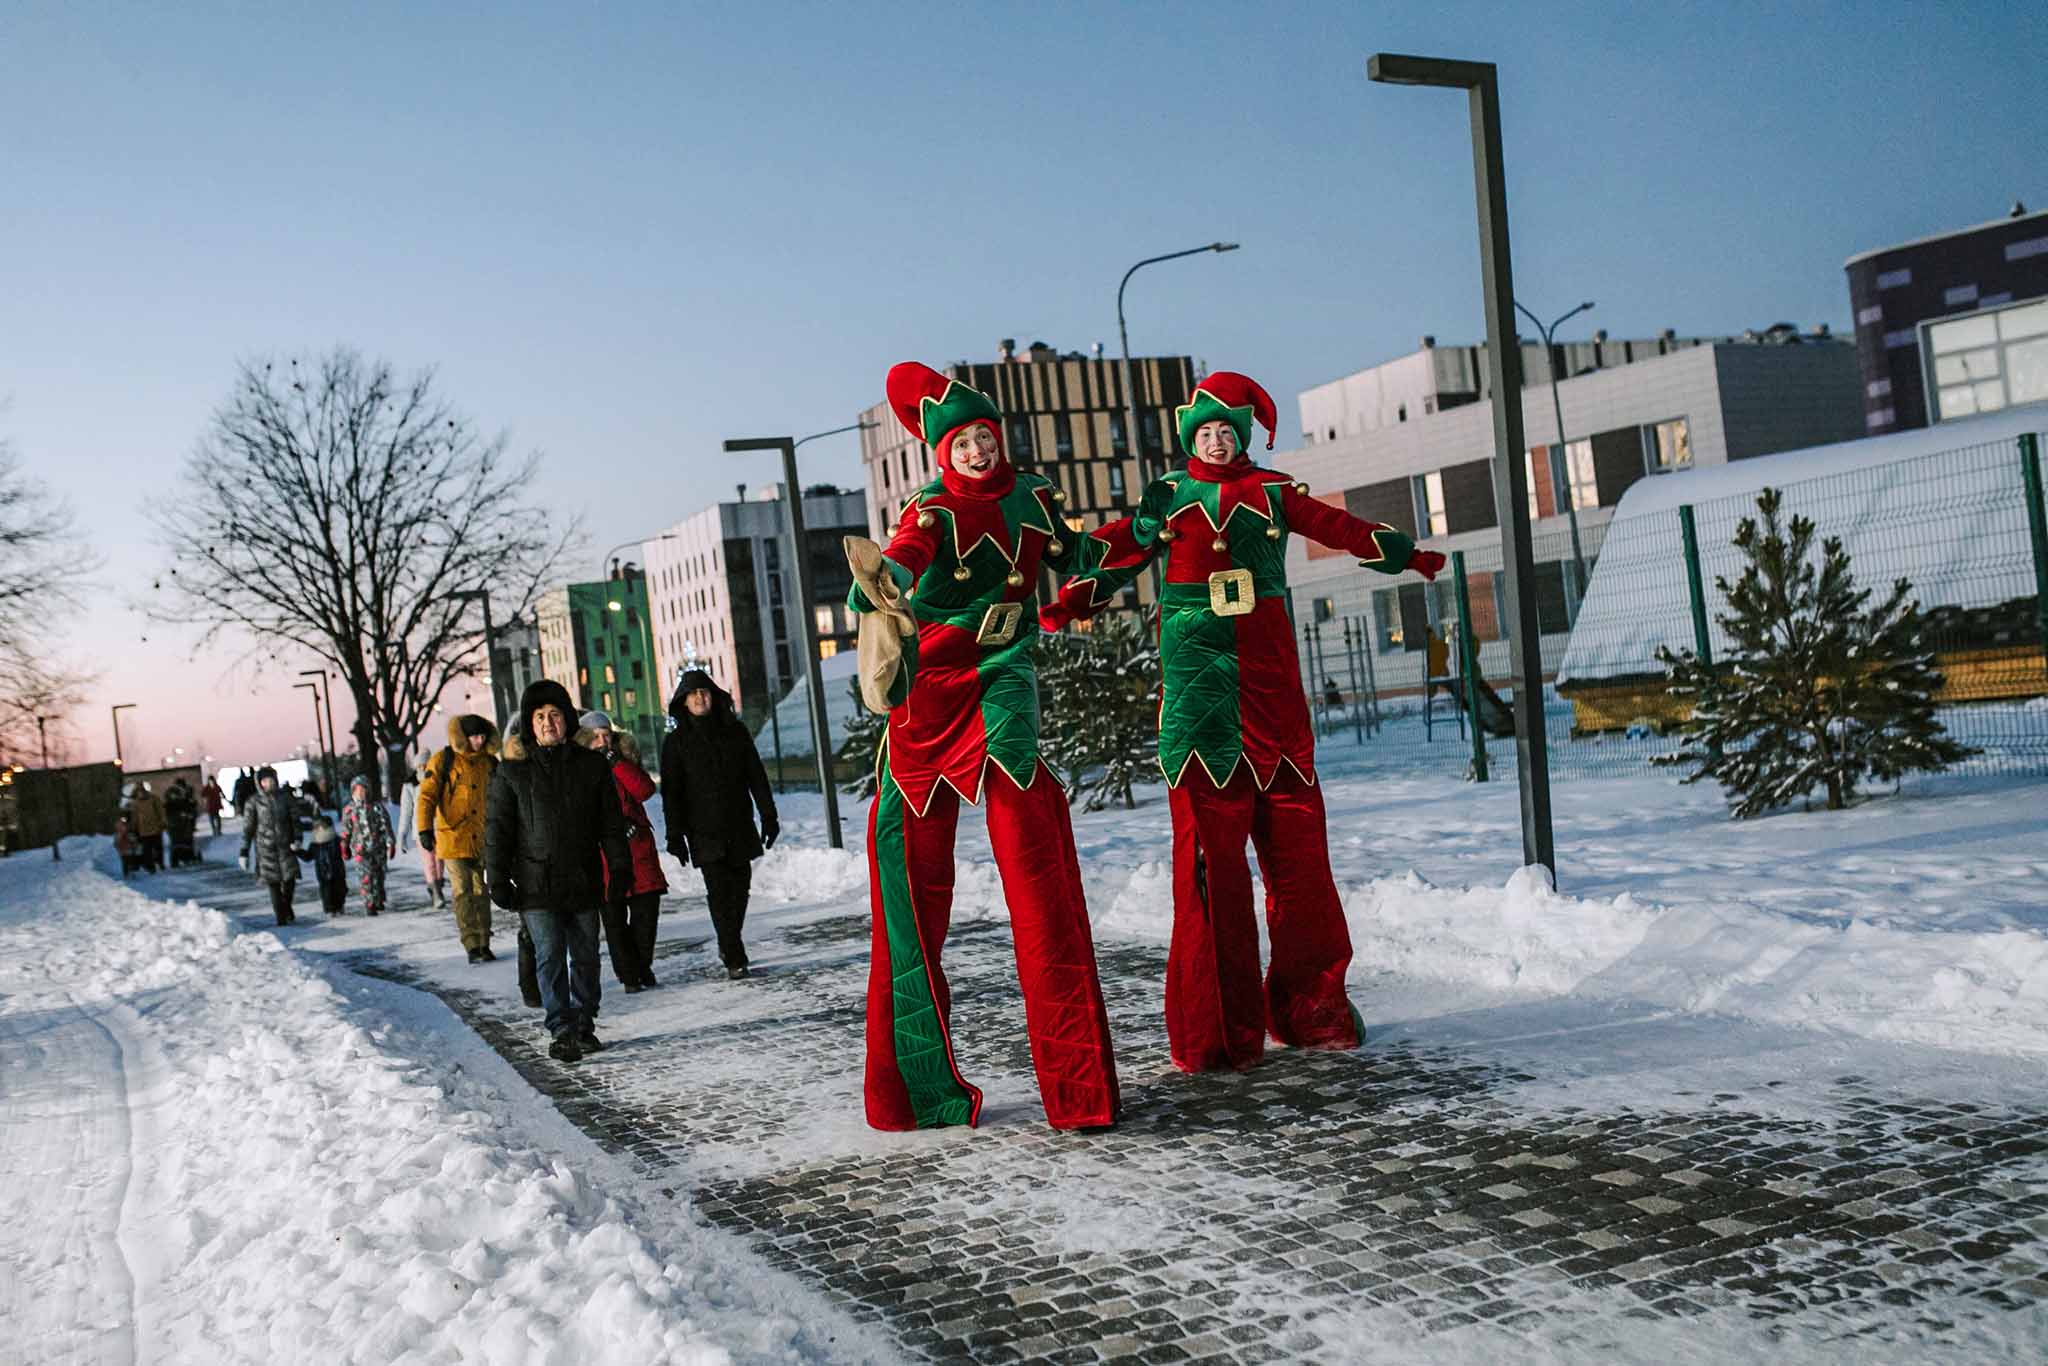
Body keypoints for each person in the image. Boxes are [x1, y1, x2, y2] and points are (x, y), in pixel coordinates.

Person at [1043, 371, 1446, 1074]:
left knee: (1301, 866)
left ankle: (1311, 1010)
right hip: (1199, 702)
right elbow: (1123, 546)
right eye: (1206, 433)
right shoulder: (1168, 496)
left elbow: (1336, 525)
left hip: (1270, 695)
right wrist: (1076, 595)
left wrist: (1403, 552)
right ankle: (1218, 1029)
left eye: (1228, 431)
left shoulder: (1275, 491)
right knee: (1209, 867)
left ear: (1243, 436)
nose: (1218, 441)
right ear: (1189, 440)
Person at [839, 361, 1121, 1133]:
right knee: (908, 879)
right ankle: (915, 1091)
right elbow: (905, 555)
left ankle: (1079, 1088)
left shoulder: (1033, 497)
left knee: (1029, 836)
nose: (975, 450)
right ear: (942, 451)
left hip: (1002, 671)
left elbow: (1081, 555)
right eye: (961, 441)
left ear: (1001, 439)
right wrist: (882, 581)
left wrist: (1095, 577)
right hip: (930, 689)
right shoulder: (931, 509)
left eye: (984, 436)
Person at [486, 680, 630, 1063]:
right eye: (539, 717)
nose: (548, 723)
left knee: (586, 957)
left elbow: (610, 825)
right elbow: (497, 829)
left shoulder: (592, 767)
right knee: (549, 957)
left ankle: (584, 1020)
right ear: (529, 726)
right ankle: (561, 1029)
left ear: (567, 721)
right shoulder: (512, 774)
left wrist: (619, 867)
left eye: (554, 715)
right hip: (536, 884)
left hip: (583, 878)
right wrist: (497, 877)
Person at [657, 673, 775, 983]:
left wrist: (769, 815)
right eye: (693, 694)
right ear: (684, 700)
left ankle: (729, 942)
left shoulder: (735, 732)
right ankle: (734, 953)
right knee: (718, 891)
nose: (700, 699)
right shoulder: (676, 742)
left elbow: (756, 775)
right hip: (703, 831)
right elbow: (672, 793)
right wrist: (675, 835)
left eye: (705, 693)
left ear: (714, 697)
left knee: (741, 888)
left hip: (738, 825)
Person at [577, 711, 666, 992]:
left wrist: (618, 763)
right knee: (615, 923)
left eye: (606, 735)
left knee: (646, 917)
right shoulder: (578, 769)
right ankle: (629, 976)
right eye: (595, 737)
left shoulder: (623, 760)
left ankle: (642, 966)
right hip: (603, 856)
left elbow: (644, 790)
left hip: (638, 851)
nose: (602, 741)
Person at [416, 714, 500, 962]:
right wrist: (424, 829)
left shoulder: (490, 763)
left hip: (482, 839)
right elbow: (427, 796)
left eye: (482, 736)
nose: (479, 740)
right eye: (474, 736)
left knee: (482, 891)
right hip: (453, 839)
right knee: (462, 891)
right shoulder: (444, 760)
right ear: (464, 737)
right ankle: (472, 944)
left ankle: (485, 941)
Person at [239, 766, 302, 926]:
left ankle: (286, 906)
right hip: (265, 849)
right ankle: (281, 917)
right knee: (273, 884)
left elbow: (295, 820)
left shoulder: (285, 798)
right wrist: (244, 851)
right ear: (260, 783)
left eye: (271, 779)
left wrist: (297, 838)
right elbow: (248, 828)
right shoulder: (253, 802)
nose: (269, 783)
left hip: (286, 846)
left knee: (289, 880)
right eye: (265, 780)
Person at [339, 774, 396, 916]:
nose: (360, 793)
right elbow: (346, 830)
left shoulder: (376, 807)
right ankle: (369, 903)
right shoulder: (349, 810)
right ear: (352, 792)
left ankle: (378, 898)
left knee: (378, 875)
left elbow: (385, 826)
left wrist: (390, 843)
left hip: (378, 848)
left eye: (363, 790)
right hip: (360, 850)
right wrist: (344, 846)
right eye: (357, 790)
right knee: (365, 876)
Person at [397, 753, 446, 909]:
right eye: (419, 766)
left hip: (439, 827)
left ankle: (437, 887)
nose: (422, 768)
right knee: (428, 862)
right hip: (421, 830)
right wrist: (402, 835)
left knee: (439, 861)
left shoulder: (438, 781)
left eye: (425, 765)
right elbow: (406, 812)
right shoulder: (409, 786)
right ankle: (436, 894)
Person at [302, 814, 348, 915]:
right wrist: (298, 851)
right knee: (326, 893)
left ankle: (339, 907)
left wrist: (346, 846)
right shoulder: (315, 843)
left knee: (339, 890)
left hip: (337, 872)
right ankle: (330, 909)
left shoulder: (336, 840)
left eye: (321, 826)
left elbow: (347, 854)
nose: (319, 829)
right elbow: (308, 857)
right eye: (317, 827)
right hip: (322, 873)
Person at [129, 782, 166, 873]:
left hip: (147, 829)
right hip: (151, 829)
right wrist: (162, 822)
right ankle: (156, 865)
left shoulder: (140, 801)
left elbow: (160, 811)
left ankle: (153, 866)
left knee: (150, 849)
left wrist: (133, 827)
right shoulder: (151, 799)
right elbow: (161, 811)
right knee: (154, 848)